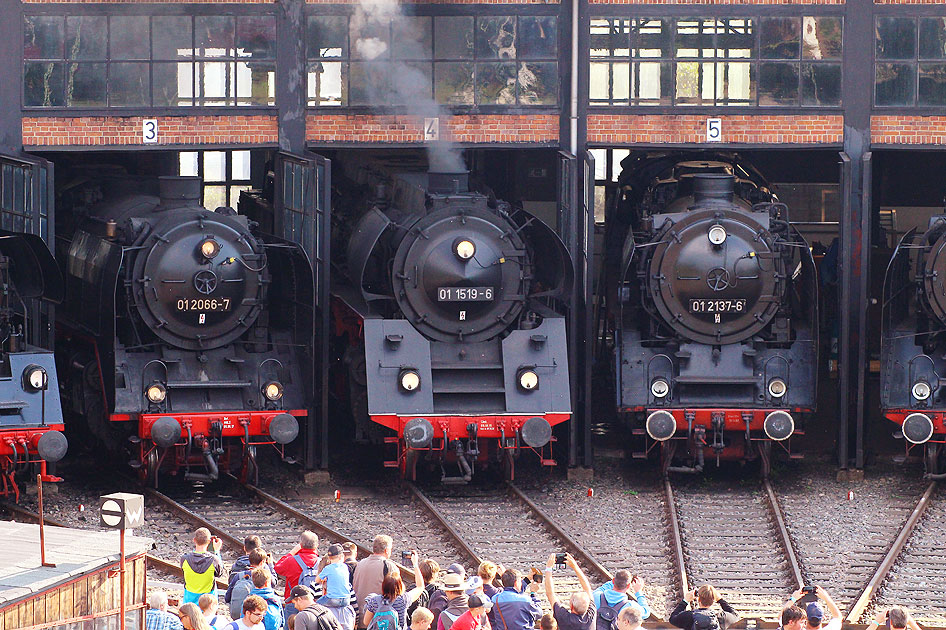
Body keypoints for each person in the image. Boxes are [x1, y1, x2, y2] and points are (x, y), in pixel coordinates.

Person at [363, 551, 426, 630]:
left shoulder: (374, 600)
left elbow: (366, 622)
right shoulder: (403, 600)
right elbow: (420, 587)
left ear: (384, 585)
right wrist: (415, 564)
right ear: (400, 585)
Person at [353, 535, 397, 626]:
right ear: (387, 550)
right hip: (379, 620)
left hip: (360, 618)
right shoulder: (389, 566)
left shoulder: (360, 563)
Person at [275, 531, 323, 616]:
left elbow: (277, 567)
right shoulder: (321, 563)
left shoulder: (291, 560)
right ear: (317, 546)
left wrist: (292, 552)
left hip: (293, 601)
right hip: (314, 603)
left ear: (300, 545)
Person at [544, 554, 594, 630]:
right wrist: (576, 567)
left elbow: (550, 594)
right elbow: (587, 589)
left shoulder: (564, 618)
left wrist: (548, 568)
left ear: (571, 606)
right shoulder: (591, 616)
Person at [318, 544, 357, 630]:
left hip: (331, 605)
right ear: (341, 557)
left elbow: (317, 580)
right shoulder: (345, 568)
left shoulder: (327, 570)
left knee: (316, 605)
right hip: (345, 604)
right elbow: (354, 605)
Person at [182, 528, 224, 605]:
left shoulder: (184, 559)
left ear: (194, 540)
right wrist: (217, 551)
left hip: (189, 603)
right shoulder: (214, 560)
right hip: (208, 604)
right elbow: (220, 573)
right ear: (209, 541)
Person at [668, 586, 740, 630]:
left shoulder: (689, 616)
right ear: (713, 600)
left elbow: (672, 619)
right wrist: (720, 600)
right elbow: (735, 615)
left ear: (698, 599)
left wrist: (685, 601)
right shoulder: (721, 617)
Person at [231, 549, 270, 619]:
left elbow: (227, 597)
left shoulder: (239, 576)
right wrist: (270, 565)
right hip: (257, 615)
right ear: (262, 562)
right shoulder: (265, 577)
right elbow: (274, 582)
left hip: (239, 616)